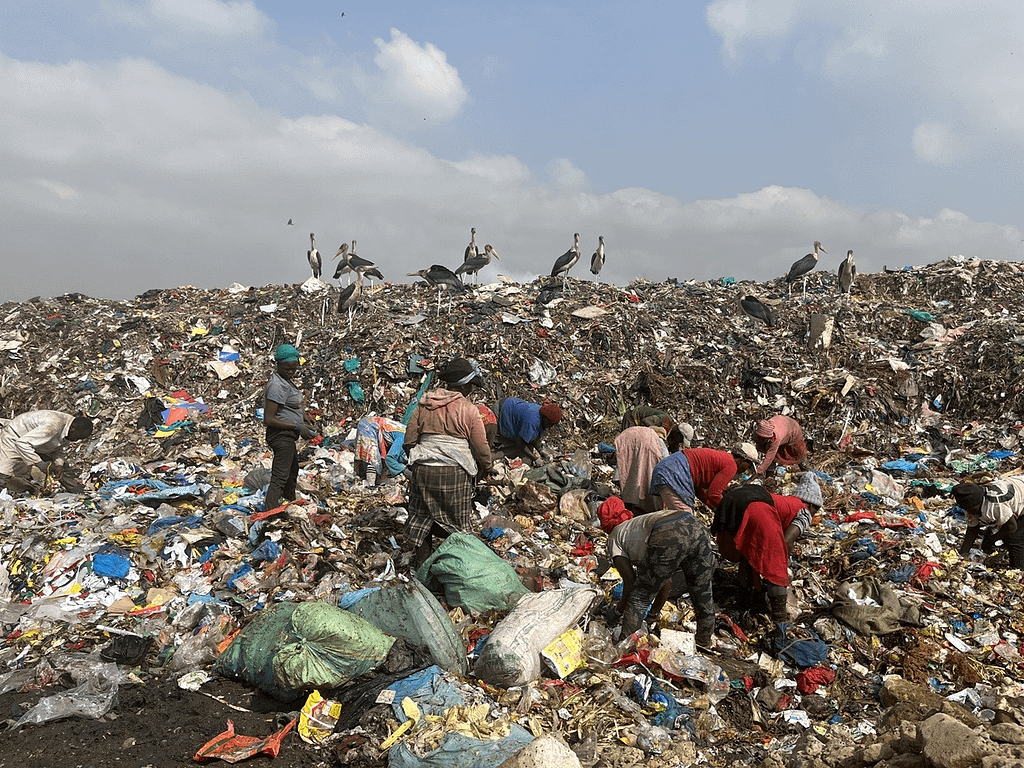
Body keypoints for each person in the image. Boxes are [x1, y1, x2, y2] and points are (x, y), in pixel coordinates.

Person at [404, 358, 493, 566]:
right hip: (455, 472)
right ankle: (454, 566)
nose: (471, 389)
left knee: (421, 518)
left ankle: (422, 565)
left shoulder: (424, 405)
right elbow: (481, 447)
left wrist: (422, 458)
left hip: (424, 471)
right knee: (457, 522)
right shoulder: (469, 410)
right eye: (470, 385)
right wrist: (487, 467)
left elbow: (409, 441)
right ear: (463, 385)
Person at [616, 500, 717, 646]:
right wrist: (652, 616)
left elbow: (630, 582)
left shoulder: (614, 536)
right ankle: (704, 641)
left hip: (669, 532)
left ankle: (625, 646)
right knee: (702, 592)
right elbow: (665, 579)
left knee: (640, 596)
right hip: (696, 527)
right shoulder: (636, 524)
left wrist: (617, 611)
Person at [712, 485, 791, 621]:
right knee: (775, 566)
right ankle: (780, 619)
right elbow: (788, 542)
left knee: (747, 553)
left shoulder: (784, 501)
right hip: (753, 508)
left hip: (730, 505)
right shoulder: (803, 512)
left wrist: (758, 586)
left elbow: (750, 557)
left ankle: (744, 601)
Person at [263, 344, 318, 511]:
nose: (291, 372)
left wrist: (304, 417)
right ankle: (269, 512)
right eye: (287, 369)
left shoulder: (287, 381)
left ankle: (288, 503)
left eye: (293, 369)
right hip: (280, 435)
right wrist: (297, 426)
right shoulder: (276, 385)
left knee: (292, 470)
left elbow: (291, 406)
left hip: (288, 435)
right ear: (278, 365)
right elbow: (269, 418)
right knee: (280, 477)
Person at [649, 442, 760, 513]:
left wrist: (711, 506)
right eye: (748, 465)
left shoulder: (723, 458)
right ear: (741, 460)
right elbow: (714, 494)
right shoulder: (731, 466)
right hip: (675, 472)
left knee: (666, 514)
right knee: (685, 518)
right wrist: (727, 510)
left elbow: (699, 488)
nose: (747, 469)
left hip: (667, 467)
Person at [0, 410, 93, 493]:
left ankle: (74, 488)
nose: (76, 440)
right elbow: (22, 444)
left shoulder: (69, 428)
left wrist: (59, 464)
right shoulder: (53, 426)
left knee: (59, 467)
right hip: (15, 437)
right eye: (77, 437)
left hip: (36, 441)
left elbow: (58, 449)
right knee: (4, 476)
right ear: (73, 428)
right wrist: (39, 463)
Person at [952, 480, 1024, 568]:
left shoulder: (995, 504)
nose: (968, 512)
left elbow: (1011, 527)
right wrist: (963, 554)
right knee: (1002, 532)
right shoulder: (970, 504)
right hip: (1017, 493)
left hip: (1022, 496)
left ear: (978, 504)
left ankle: (1018, 569)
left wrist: (991, 540)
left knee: (1014, 538)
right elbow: (972, 529)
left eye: (970, 509)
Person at [614, 425, 669, 514]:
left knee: (628, 469)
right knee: (646, 474)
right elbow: (666, 462)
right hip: (635, 443)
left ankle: (630, 502)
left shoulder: (637, 432)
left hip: (624, 439)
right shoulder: (656, 439)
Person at [493, 397, 562, 466]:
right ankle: (492, 456)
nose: (550, 426)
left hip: (511, 407)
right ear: (546, 419)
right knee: (496, 443)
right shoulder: (532, 421)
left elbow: (535, 436)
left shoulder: (541, 417)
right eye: (550, 424)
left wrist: (540, 450)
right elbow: (520, 443)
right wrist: (535, 459)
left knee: (527, 458)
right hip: (501, 411)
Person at [770, 472, 823, 550]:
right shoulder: (805, 512)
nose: (813, 515)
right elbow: (787, 542)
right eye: (816, 510)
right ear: (811, 506)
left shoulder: (788, 501)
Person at [354, 416, 406, 486]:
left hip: (375, 425)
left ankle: (368, 479)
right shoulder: (403, 438)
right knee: (373, 457)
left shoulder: (409, 437)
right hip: (368, 426)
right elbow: (390, 459)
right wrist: (406, 472)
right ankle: (370, 485)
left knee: (376, 458)